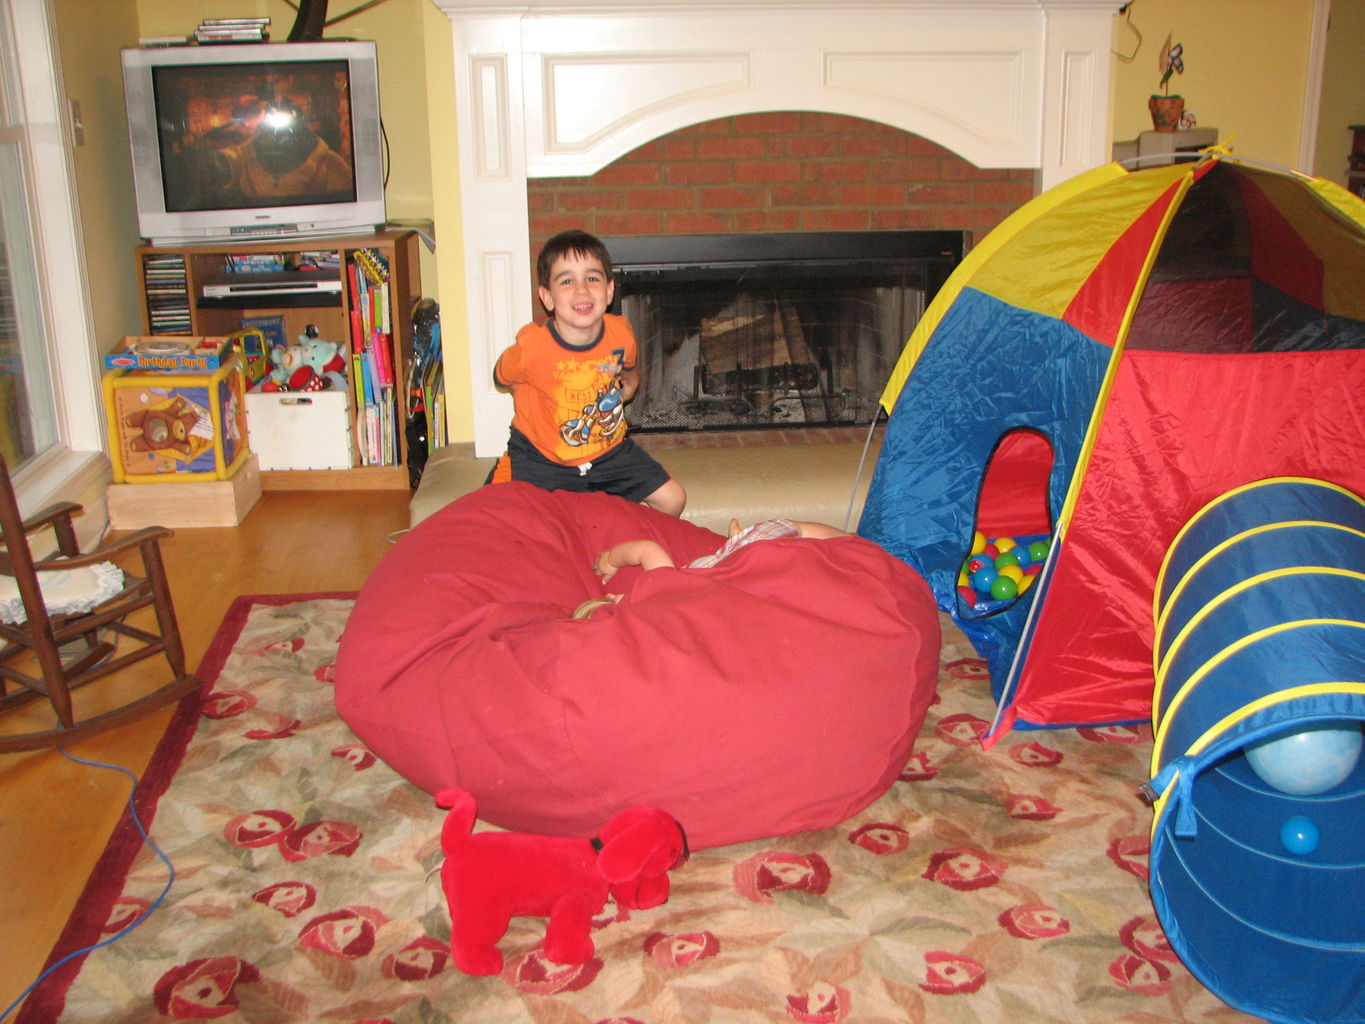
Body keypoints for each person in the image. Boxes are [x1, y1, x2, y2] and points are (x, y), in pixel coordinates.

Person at [491, 230, 686, 516]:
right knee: (527, 525)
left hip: (609, 452)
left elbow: (629, 368)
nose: (582, 290)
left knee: (673, 499)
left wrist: (630, 387)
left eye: (592, 278)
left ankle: (627, 545)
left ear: (608, 291)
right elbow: (503, 377)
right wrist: (529, 400)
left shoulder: (620, 332)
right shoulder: (533, 347)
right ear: (547, 297)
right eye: (567, 281)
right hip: (543, 458)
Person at [593, 518, 848, 583]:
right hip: (741, 563)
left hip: (739, 562)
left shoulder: (658, 592)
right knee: (794, 530)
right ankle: (852, 543)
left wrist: (610, 561)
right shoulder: (659, 591)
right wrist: (610, 560)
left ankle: (852, 544)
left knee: (787, 533)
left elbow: (647, 549)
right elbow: (646, 549)